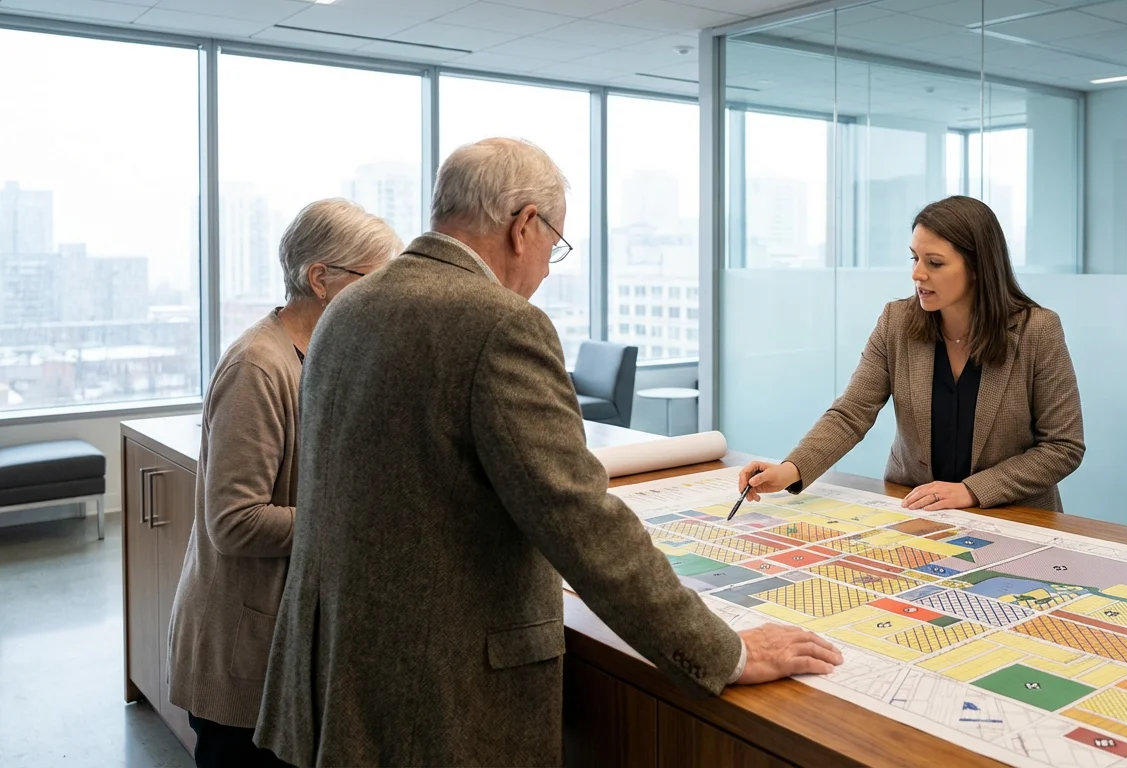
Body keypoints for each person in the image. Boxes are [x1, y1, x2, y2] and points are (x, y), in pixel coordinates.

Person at [254, 138, 842, 767]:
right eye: (554, 244)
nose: (548, 268)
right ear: (523, 224)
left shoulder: (349, 307)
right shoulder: (499, 322)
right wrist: (728, 652)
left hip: (341, 671)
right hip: (441, 691)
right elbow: (580, 519)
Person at [166, 199, 400, 768]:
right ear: (320, 279)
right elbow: (235, 521)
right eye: (376, 281)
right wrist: (352, 521)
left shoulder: (320, 353)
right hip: (244, 649)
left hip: (287, 641)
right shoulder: (258, 366)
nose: (388, 297)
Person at [740, 195, 1085, 514]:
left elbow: (1062, 446)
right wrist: (790, 470)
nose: (917, 274)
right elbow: (851, 413)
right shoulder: (897, 321)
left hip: (1013, 516)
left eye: (934, 263)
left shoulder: (1037, 330)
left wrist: (972, 490)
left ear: (979, 267)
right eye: (915, 257)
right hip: (914, 509)